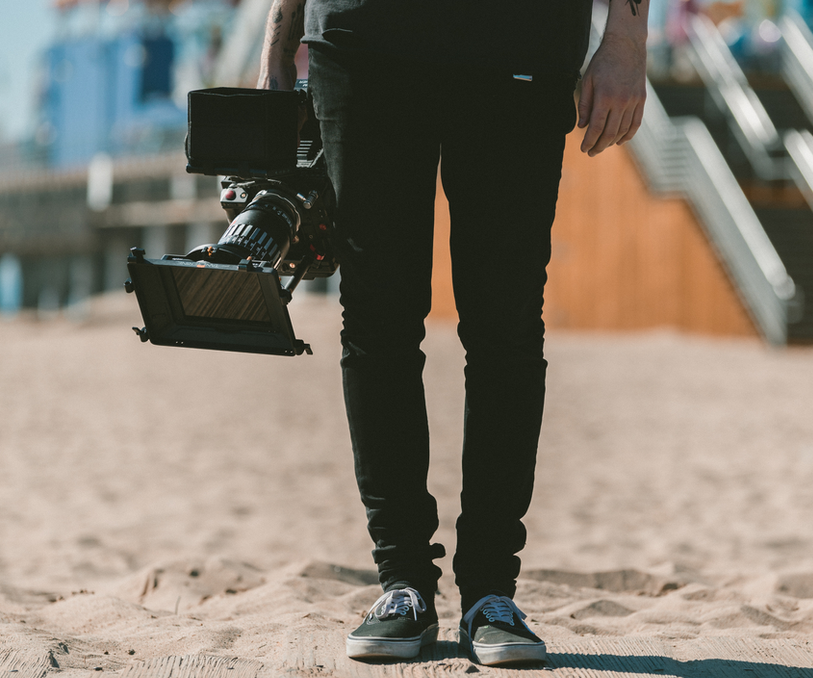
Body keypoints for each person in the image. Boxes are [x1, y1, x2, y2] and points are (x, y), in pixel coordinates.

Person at [257, 0, 648, 666]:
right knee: (377, 318)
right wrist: (277, 40)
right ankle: (403, 582)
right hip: (363, 40)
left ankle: (491, 592)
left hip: (520, 41)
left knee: (507, 325)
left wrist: (627, 39)